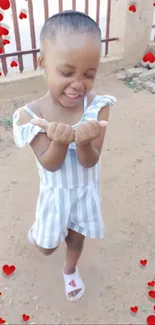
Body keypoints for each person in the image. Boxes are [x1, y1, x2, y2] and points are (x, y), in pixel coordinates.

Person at [12, 10, 116, 302]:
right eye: (67, 72)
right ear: (43, 62)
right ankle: (38, 235)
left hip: (85, 191)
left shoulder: (98, 107)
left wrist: (83, 142)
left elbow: (90, 160)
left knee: (75, 237)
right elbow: (50, 162)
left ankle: (70, 270)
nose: (78, 84)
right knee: (46, 246)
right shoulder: (30, 115)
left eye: (89, 74)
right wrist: (59, 141)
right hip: (55, 193)